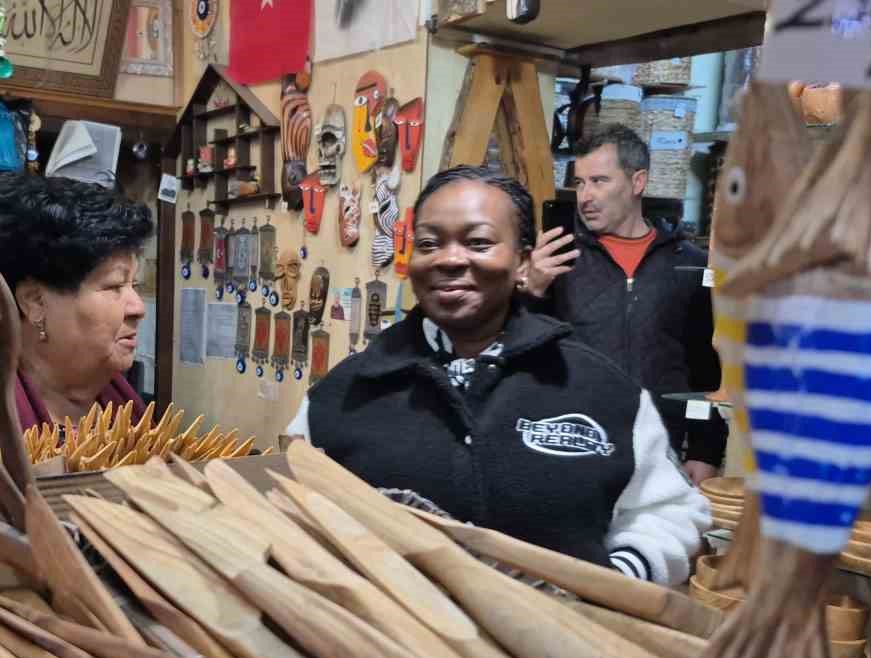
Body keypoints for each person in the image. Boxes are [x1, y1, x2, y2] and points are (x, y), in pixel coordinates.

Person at [286, 166, 709, 585]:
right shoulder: (342, 395)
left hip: (561, 644)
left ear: (524, 264)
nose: (450, 259)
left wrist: (615, 583)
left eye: (479, 242)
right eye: (429, 243)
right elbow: (289, 507)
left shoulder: (598, 389)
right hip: (381, 644)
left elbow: (670, 512)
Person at [543, 124, 726, 484]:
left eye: (599, 181)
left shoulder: (689, 264)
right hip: (574, 452)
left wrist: (706, 450)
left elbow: (707, 368)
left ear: (637, 182)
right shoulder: (559, 261)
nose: (585, 197)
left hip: (661, 456)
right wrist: (529, 289)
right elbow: (528, 354)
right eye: (579, 183)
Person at [0, 172, 151, 438]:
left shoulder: (126, 409)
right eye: (114, 286)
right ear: (35, 302)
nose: (138, 308)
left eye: (135, 285)